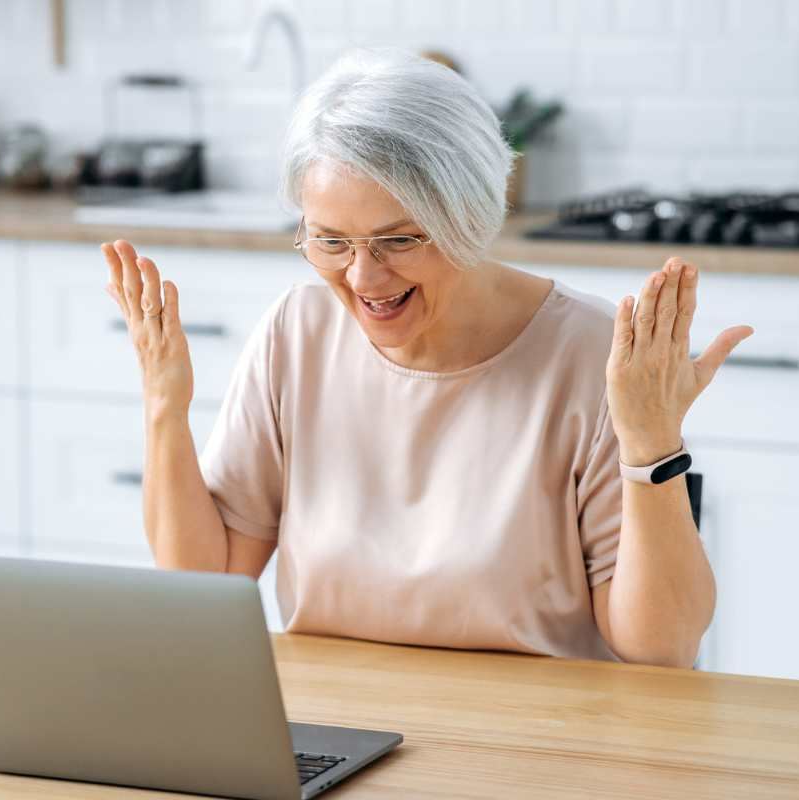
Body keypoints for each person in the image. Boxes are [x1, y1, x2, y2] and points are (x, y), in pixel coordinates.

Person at [99, 49, 753, 668]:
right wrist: (165, 407)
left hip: (531, 740)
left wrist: (650, 444)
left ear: (469, 215)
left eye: (399, 240)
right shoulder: (297, 333)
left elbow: (659, 648)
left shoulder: (588, 354)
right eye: (330, 241)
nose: (362, 277)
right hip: (333, 729)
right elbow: (205, 581)